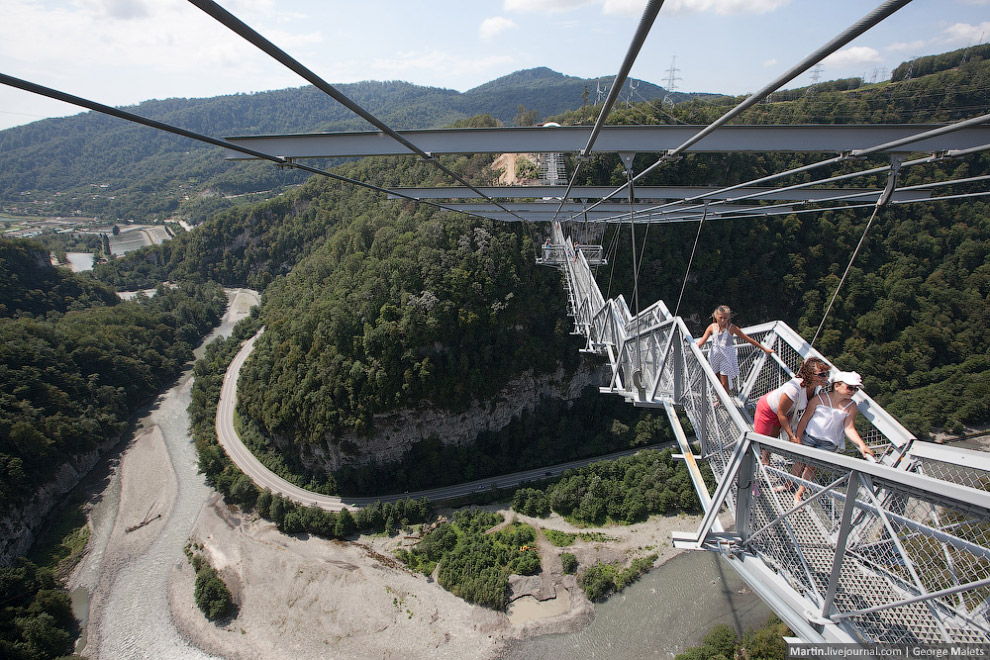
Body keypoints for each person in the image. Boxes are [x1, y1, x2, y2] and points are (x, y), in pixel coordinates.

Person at [790, 371, 875, 504]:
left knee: (812, 467)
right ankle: (788, 484)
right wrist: (798, 437)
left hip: (828, 443)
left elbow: (849, 428)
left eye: (855, 389)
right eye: (850, 387)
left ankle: (799, 494)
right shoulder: (819, 398)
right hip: (810, 436)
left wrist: (862, 445)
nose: (853, 391)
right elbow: (805, 418)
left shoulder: (851, 406)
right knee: (799, 462)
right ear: (837, 386)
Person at [755, 357, 831, 465]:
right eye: (822, 375)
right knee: (758, 442)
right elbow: (780, 413)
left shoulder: (816, 389)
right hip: (767, 408)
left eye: (827, 374)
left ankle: (765, 462)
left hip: (786, 412)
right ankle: (752, 469)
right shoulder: (793, 389)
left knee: (773, 437)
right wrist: (791, 435)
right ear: (810, 375)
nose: (826, 378)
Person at [696, 305, 774, 393]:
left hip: (726, 356)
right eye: (720, 318)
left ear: (728, 318)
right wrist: (697, 346)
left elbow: (748, 339)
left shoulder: (732, 328)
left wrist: (764, 349)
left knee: (724, 381)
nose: (722, 320)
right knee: (717, 380)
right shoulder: (712, 327)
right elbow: (702, 341)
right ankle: (719, 398)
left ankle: (725, 401)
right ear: (716, 316)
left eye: (725, 318)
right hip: (715, 356)